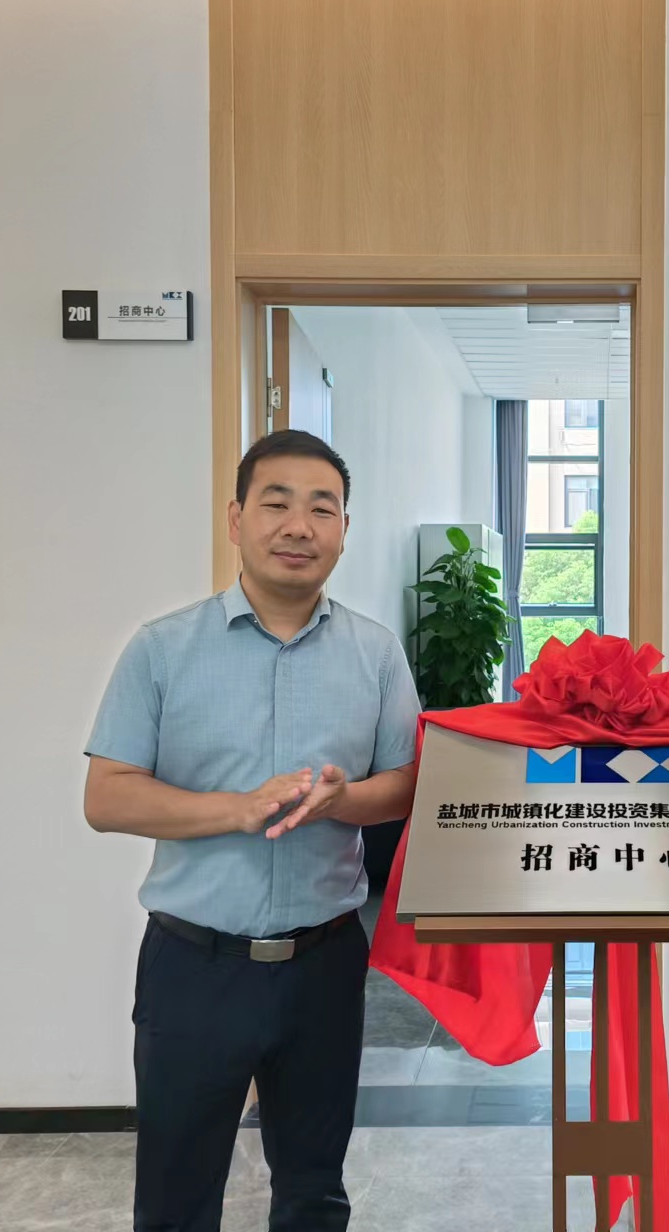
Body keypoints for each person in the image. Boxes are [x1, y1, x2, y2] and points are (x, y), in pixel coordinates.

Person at [83, 429, 419, 1232]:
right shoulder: (162, 650)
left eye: (322, 509)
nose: (299, 526)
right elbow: (108, 797)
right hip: (195, 965)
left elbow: (407, 786)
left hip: (324, 965)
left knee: (314, 1191)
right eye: (277, 504)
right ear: (236, 519)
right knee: (176, 1198)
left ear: (344, 530)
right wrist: (235, 809)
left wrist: (343, 801)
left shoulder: (376, 654)